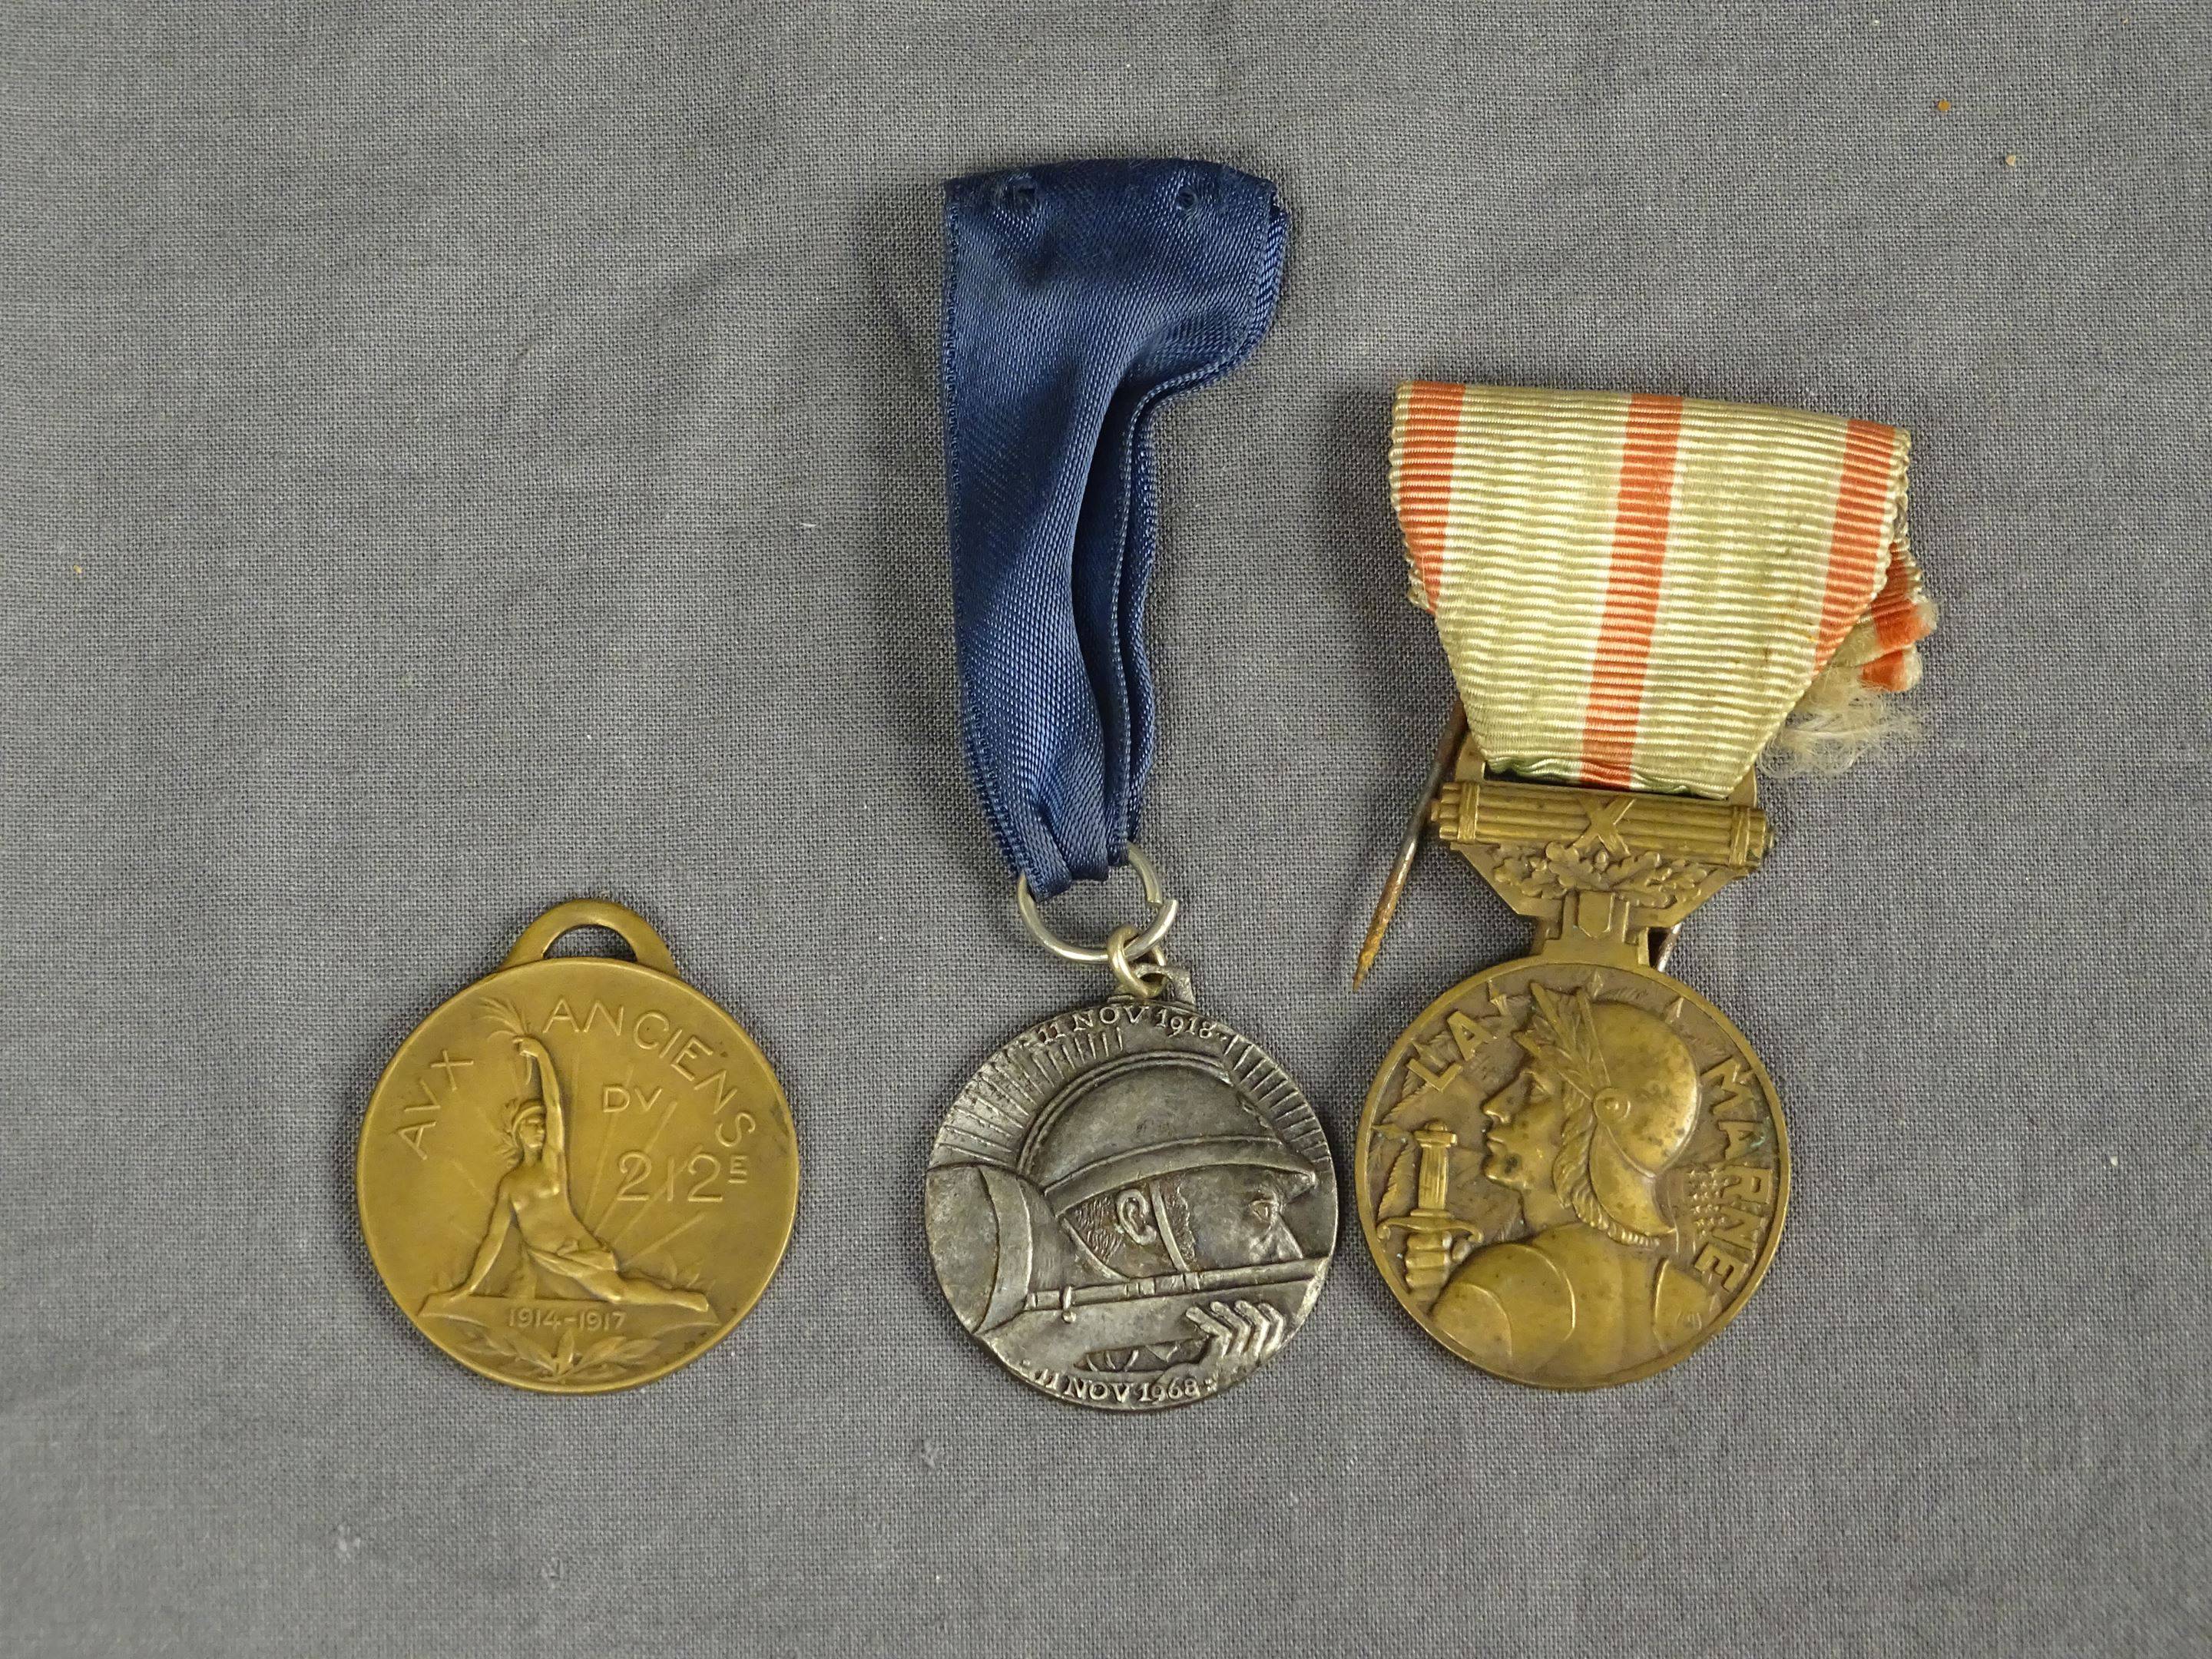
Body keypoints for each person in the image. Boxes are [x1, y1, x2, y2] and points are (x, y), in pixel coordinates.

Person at [1427, 988, 1716, 1385]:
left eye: (1534, 1091)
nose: (1495, 1106)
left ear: (1603, 1116)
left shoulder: (1500, 1286)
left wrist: (1439, 1297)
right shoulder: (1689, 1300)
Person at [426, 1034, 709, 1315]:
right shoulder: (510, 1184)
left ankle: (681, 1299)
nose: (541, 1129)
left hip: (576, 1248)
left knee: (617, 1294)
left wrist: (542, 1056)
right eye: (533, 1125)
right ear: (518, 1132)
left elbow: (554, 1105)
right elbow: (493, 1239)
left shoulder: (552, 1162)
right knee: (611, 1293)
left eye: (543, 1125)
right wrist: (468, 1287)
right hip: (546, 1256)